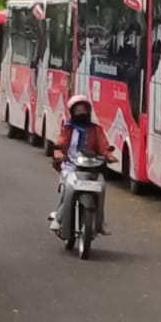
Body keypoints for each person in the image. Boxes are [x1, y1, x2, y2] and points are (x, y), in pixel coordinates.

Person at [49, 94, 112, 236]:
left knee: (102, 187)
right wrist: (58, 152)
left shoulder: (96, 129)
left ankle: (100, 222)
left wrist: (108, 155)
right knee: (67, 188)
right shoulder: (68, 128)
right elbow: (61, 143)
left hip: (92, 167)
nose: (81, 113)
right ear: (72, 112)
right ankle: (59, 218)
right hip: (70, 165)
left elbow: (103, 146)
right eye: (78, 111)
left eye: (84, 110)